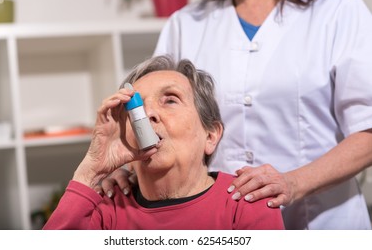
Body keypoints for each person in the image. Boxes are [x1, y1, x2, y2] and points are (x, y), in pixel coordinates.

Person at [101, 0, 372, 229]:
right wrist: (130, 166)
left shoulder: (339, 9)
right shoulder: (185, 24)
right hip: (218, 223)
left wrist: (294, 183)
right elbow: (154, 116)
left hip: (323, 222)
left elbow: (368, 130)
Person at [43, 56, 284, 230]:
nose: (147, 114)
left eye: (170, 100)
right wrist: (91, 171)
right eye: (135, 107)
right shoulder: (107, 210)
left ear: (210, 136)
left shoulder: (247, 201)